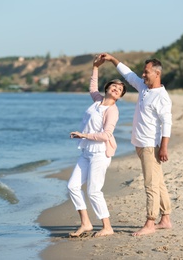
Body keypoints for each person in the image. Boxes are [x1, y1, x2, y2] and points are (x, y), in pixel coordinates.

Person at [101, 53, 173, 236]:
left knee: (150, 185)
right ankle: (165, 219)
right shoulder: (144, 88)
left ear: (157, 73)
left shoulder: (161, 97)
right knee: (159, 183)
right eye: (143, 72)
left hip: (151, 146)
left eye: (146, 72)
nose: (143, 75)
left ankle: (150, 222)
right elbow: (128, 74)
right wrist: (112, 60)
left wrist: (164, 147)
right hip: (141, 144)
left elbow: (167, 123)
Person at [67, 54, 126, 238]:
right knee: (72, 186)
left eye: (120, 89)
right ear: (108, 88)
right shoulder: (98, 101)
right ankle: (85, 223)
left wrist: (83, 134)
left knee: (93, 190)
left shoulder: (112, 111)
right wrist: (95, 67)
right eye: (114, 86)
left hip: (100, 153)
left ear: (120, 96)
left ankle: (107, 227)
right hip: (86, 152)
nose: (116, 89)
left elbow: (106, 135)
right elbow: (92, 86)